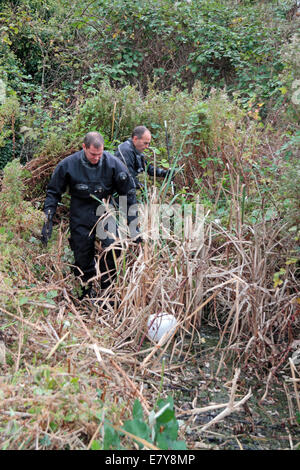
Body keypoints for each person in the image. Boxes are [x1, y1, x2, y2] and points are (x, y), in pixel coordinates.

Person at [41, 131, 140, 300]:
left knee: (112, 248)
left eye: (99, 154)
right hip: (80, 211)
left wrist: (134, 227)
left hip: (105, 210)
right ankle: (85, 293)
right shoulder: (68, 165)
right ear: (84, 147)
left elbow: (128, 195)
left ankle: (107, 293)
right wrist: (48, 218)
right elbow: (53, 192)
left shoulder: (113, 164)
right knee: (82, 254)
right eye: (93, 154)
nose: (96, 158)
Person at [115, 126, 171, 190]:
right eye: (145, 143)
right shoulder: (125, 151)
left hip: (130, 190)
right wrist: (141, 187)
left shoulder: (135, 150)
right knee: (123, 197)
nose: (147, 146)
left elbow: (147, 167)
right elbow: (127, 178)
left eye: (148, 144)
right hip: (122, 192)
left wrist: (164, 173)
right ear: (135, 139)